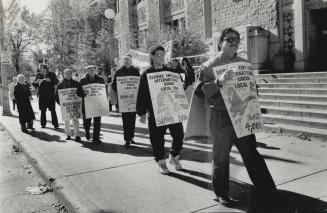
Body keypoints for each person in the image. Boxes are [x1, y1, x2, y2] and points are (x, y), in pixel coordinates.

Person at [191, 28, 278, 209]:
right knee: (221, 157)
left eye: (237, 40)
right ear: (220, 42)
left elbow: (253, 88)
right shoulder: (209, 66)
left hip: (242, 116)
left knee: (252, 154)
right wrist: (218, 82)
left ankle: (267, 189)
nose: (234, 42)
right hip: (221, 118)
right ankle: (221, 193)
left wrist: (254, 103)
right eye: (229, 39)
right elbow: (200, 92)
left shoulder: (244, 64)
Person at [136, 46, 184, 174]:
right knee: (157, 138)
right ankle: (161, 162)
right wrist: (141, 112)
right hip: (155, 111)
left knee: (179, 135)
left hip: (172, 110)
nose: (161, 57)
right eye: (158, 55)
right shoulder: (147, 73)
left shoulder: (170, 71)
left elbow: (177, 88)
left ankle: (174, 156)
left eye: (163, 54)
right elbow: (142, 93)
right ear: (152, 56)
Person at [112, 54, 140, 148]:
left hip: (133, 99)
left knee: (132, 119)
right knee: (125, 119)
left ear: (131, 61)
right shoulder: (119, 72)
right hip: (123, 99)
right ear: (123, 62)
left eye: (128, 60)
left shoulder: (136, 71)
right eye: (125, 60)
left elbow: (139, 83)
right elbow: (113, 85)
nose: (126, 62)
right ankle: (127, 139)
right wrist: (119, 92)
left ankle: (131, 136)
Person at [77, 65, 105, 144]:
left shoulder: (100, 79)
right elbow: (78, 92)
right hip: (87, 105)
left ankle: (96, 138)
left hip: (97, 104)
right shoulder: (82, 80)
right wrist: (83, 93)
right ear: (87, 71)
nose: (92, 72)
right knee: (87, 122)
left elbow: (104, 91)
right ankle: (87, 131)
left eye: (93, 70)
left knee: (97, 122)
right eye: (90, 70)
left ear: (95, 70)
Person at [55, 69, 81, 142]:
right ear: (64, 74)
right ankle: (68, 134)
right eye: (67, 74)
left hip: (75, 105)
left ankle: (77, 135)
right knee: (66, 121)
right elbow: (56, 96)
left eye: (70, 74)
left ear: (71, 74)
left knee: (75, 120)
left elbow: (79, 93)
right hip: (65, 106)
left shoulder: (76, 83)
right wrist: (61, 104)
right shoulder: (59, 85)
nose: (68, 75)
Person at [32, 64, 59, 129]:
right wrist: (36, 82)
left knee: (53, 110)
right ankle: (43, 124)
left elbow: (57, 82)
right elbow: (34, 84)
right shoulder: (38, 75)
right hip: (42, 95)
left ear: (45, 68)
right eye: (39, 68)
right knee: (42, 110)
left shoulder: (52, 74)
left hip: (50, 95)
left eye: (41, 68)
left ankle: (55, 124)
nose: (40, 69)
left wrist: (50, 80)